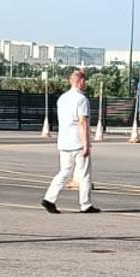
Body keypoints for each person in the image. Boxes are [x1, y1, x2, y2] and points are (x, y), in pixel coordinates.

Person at [42, 69, 98, 214]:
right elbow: (82, 122)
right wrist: (87, 144)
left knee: (64, 172)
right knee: (84, 173)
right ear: (80, 82)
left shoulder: (62, 98)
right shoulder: (82, 99)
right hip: (77, 141)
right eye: (84, 80)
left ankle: (49, 198)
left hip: (64, 140)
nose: (85, 83)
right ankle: (85, 204)